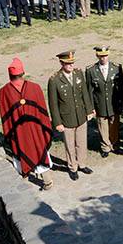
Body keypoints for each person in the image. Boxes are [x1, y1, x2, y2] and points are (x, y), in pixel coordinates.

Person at [0, 58, 53, 190]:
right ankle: (47, 182)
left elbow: (5, 116)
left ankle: (26, 179)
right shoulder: (34, 87)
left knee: (21, 150)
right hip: (36, 131)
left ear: (10, 74)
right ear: (23, 72)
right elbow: (43, 114)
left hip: (18, 132)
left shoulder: (4, 91)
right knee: (39, 150)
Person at [48, 51, 94, 181]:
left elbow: (84, 93)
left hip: (80, 116)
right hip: (66, 119)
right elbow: (53, 104)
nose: (71, 66)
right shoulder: (54, 80)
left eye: (72, 63)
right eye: (68, 64)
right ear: (61, 63)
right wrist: (57, 122)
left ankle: (82, 164)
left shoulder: (78, 73)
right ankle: (72, 167)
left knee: (81, 142)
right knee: (69, 145)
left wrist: (89, 110)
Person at [86, 46, 123, 158]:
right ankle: (105, 147)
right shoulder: (91, 70)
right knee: (102, 126)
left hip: (114, 103)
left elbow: (121, 87)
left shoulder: (117, 68)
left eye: (105, 55)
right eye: (101, 56)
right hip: (100, 103)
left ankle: (115, 144)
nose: (103, 58)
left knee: (114, 124)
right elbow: (89, 90)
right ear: (97, 56)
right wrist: (91, 107)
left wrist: (121, 102)